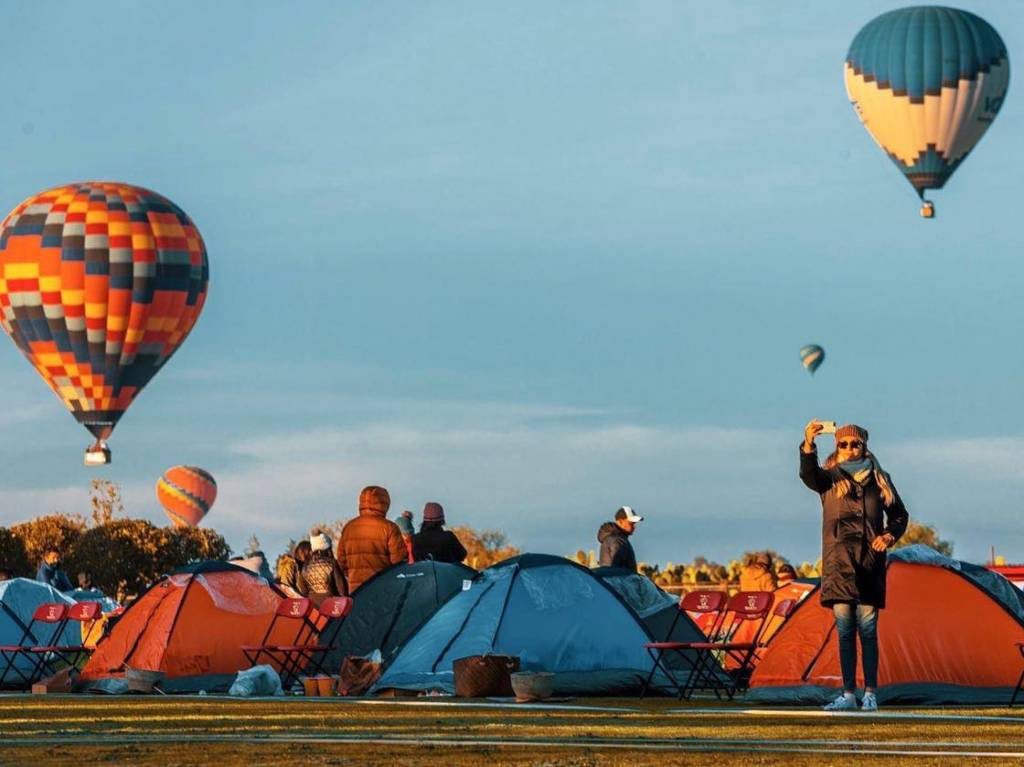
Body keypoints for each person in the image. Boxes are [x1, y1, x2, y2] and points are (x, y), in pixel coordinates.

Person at [801, 421, 908, 712]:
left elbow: (900, 515)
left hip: (870, 563)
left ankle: (870, 693)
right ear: (837, 447)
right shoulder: (829, 478)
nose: (849, 449)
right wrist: (809, 443)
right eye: (843, 444)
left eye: (855, 444)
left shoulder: (881, 479)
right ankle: (848, 694)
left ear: (864, 446)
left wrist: (889, 535)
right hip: (839, 564)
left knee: (869, 630)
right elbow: (808, 475)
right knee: (845, 631)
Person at [336, 486, 407, 592]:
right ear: (384, 504)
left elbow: (342, 562)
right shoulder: (390, 528)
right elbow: (399, 561)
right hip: (383, 587)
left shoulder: (349, 528)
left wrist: (353, 575)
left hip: (356, 590)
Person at [300, 532, 347, 607]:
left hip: (313, 607)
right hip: (332, 606)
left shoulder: (305, 566)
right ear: (326, 547)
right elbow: (342, 589)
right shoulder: (332, 563)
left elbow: (303, 591)